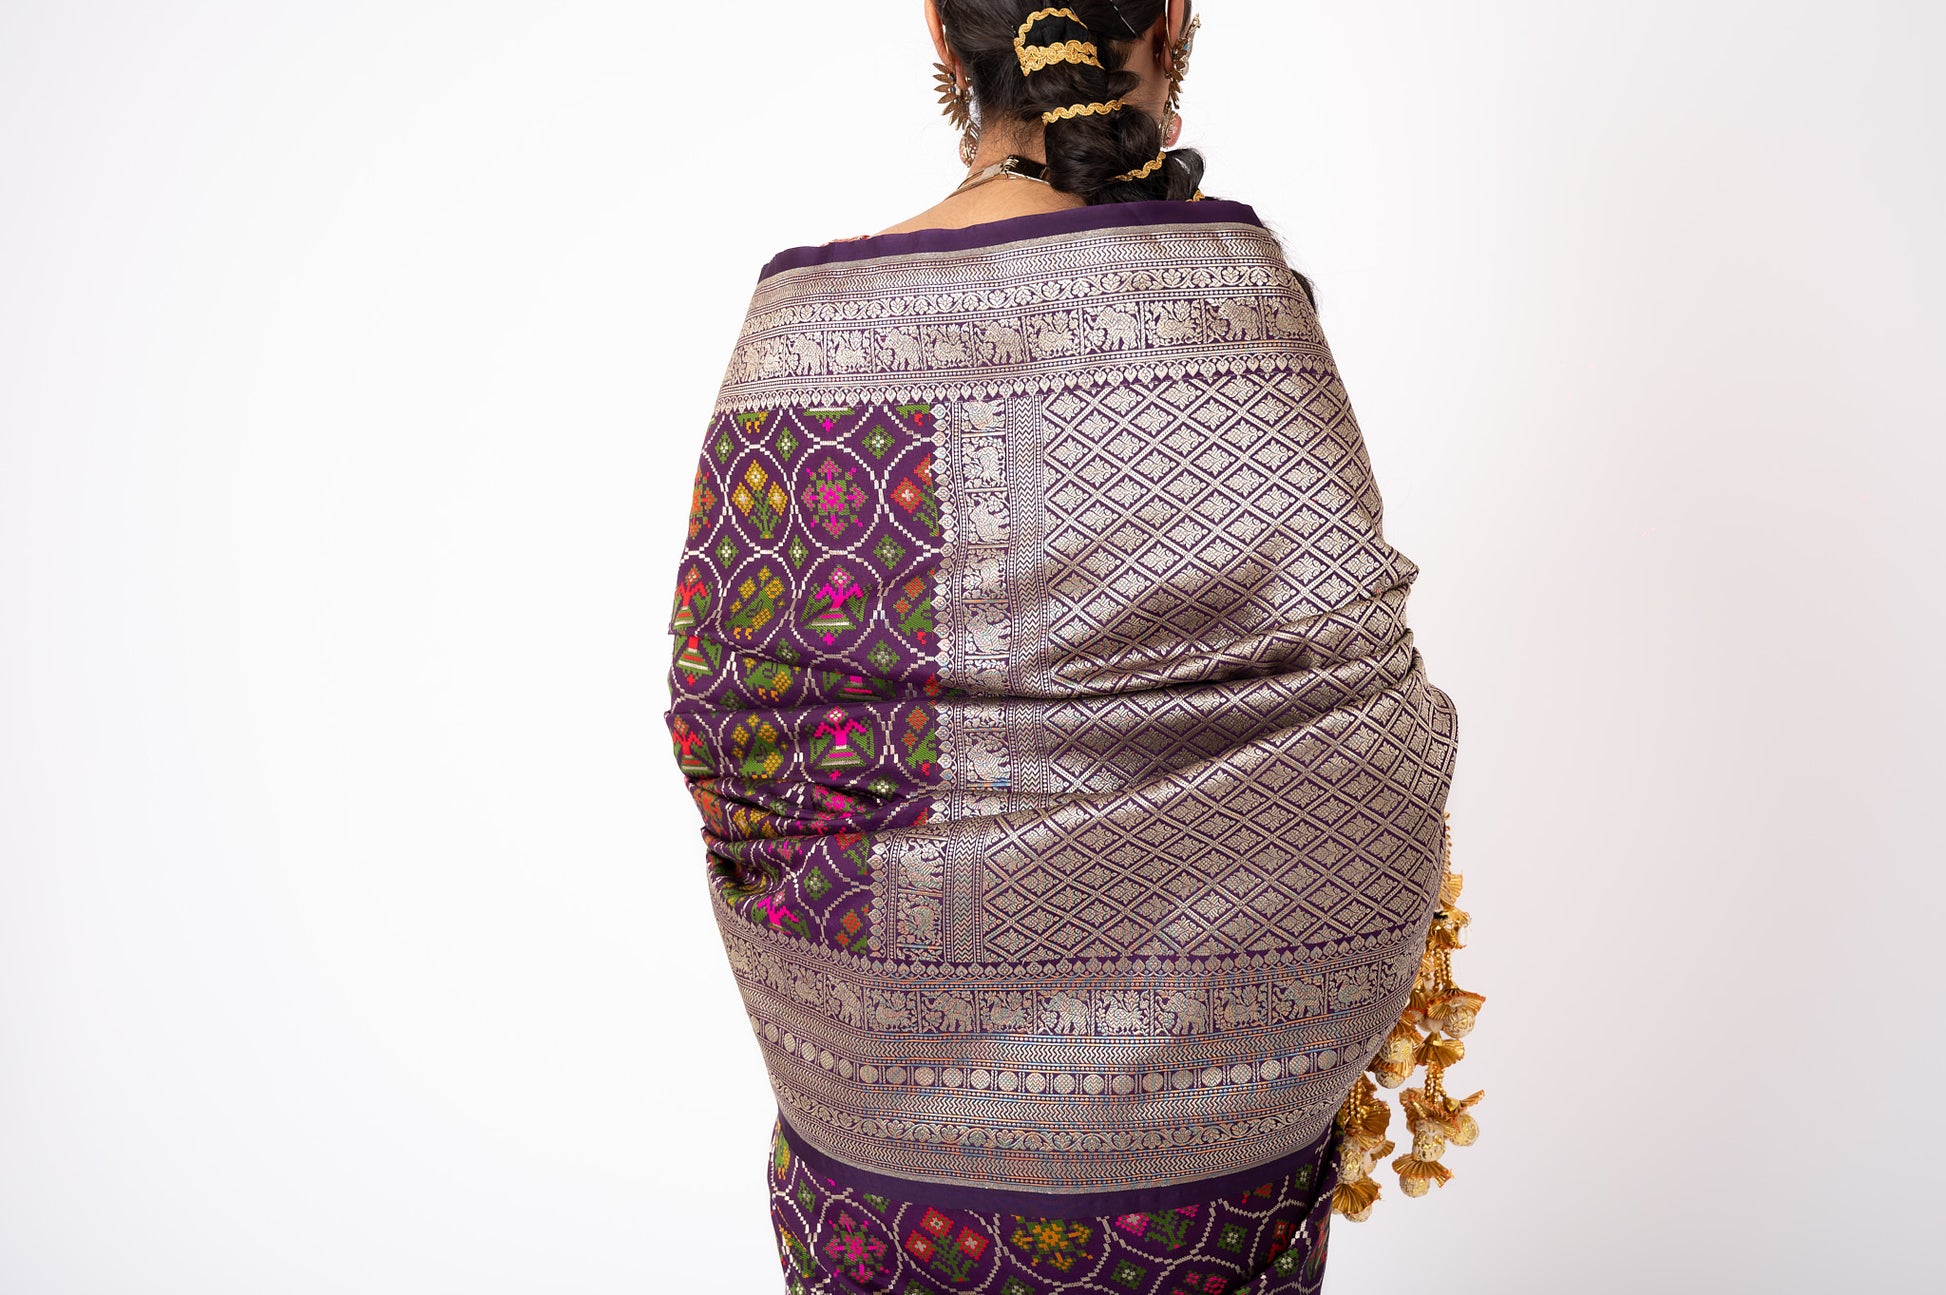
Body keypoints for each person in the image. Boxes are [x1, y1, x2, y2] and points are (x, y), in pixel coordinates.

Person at [661, 3, 1465, 1290]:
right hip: (1208, 1196)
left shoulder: (800, 336)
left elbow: (737, 728)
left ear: (942, 29)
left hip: (883, 1176)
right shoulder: (1236, 302)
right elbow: (1356, 718)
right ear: (1170, 17)